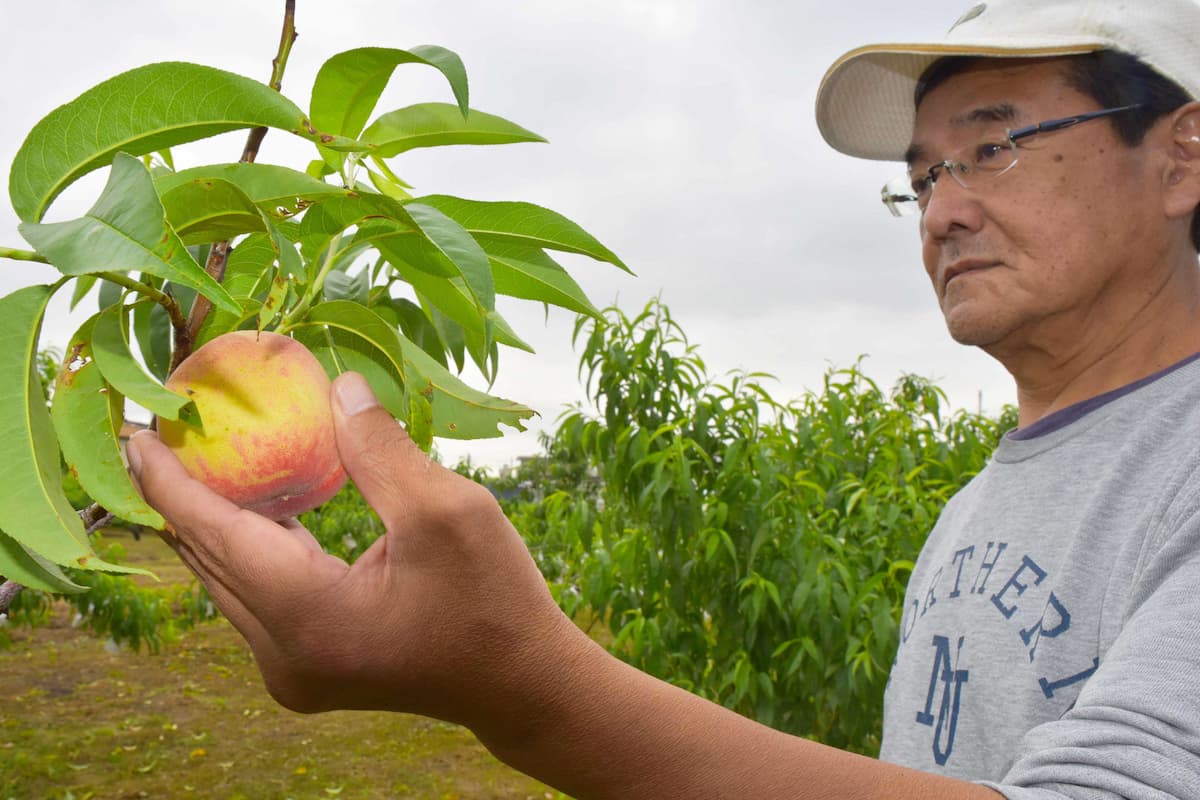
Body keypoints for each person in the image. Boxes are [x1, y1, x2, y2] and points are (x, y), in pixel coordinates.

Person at [128, 0, 1200, 796]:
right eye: (922, 177)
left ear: (1181, 156)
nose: (941, 213)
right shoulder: (977, 506)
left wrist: (526, 686)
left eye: (995, 147)